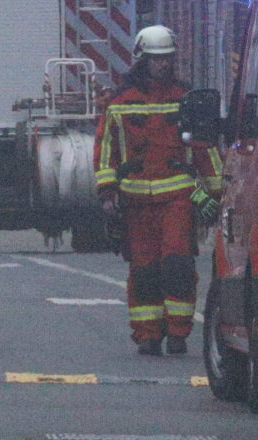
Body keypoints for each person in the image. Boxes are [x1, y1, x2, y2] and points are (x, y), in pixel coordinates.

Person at [93, 26, 222, 356]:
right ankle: (148, 335)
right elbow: (106, 150)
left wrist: (218, 191)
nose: (163, 64)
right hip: (135, 202)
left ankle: (178, 333)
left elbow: (203, 146)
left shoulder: (185, 99)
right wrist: (107, 192)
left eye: (167, 58)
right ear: (142, 60)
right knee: (144, 270)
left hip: (178, 198)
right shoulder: (119, 103)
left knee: (178, 265)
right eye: (156, 59)